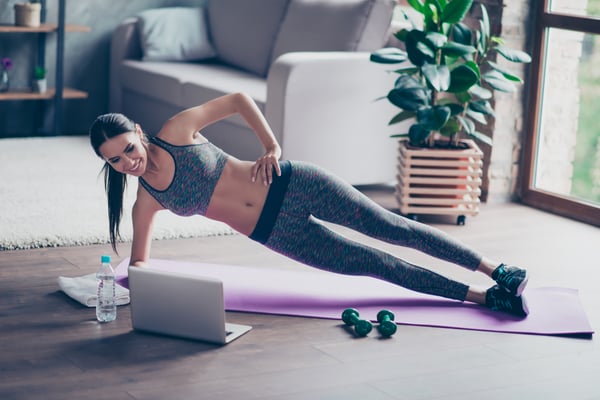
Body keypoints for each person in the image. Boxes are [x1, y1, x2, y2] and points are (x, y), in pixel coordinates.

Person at [90, 92, 529, 317]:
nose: (129, 161)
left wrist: (272, 146)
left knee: (394, 229)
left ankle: (497, 270)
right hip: (277, 234)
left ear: (139, 131)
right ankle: (484, 298)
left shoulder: (176, 129)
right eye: (116, 159)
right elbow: (141, 263)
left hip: (293, 184)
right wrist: (123, 280)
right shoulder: (147, 202)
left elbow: (240, 100)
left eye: (129, 148)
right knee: (376, 264)